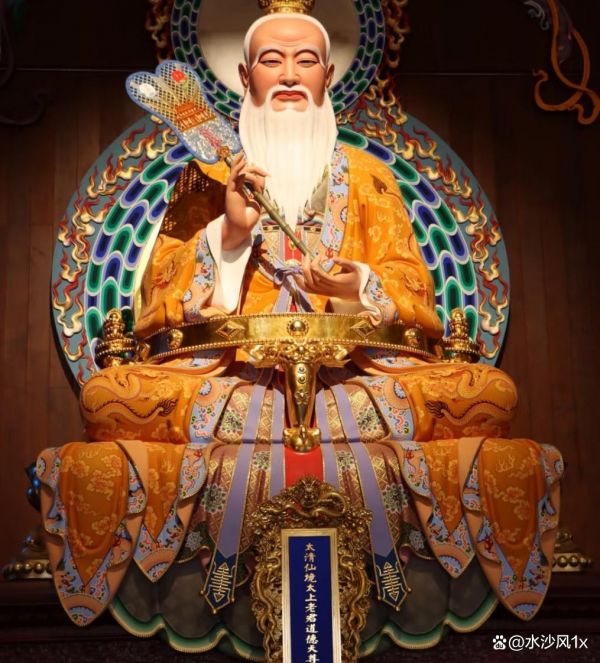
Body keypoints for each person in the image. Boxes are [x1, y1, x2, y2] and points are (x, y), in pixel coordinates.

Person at [36, 5, 562, 651]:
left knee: (486, 392)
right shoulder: (206, 175)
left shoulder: (369, 175)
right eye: (272, 60)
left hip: (360, 375)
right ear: (244, 76)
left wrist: (357, 286)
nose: (289, 75)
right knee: (112, 398)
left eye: (305, 60)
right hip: (228, 376)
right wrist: (229, 234)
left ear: (329, 75)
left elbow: (412, 286)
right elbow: (160, 297)